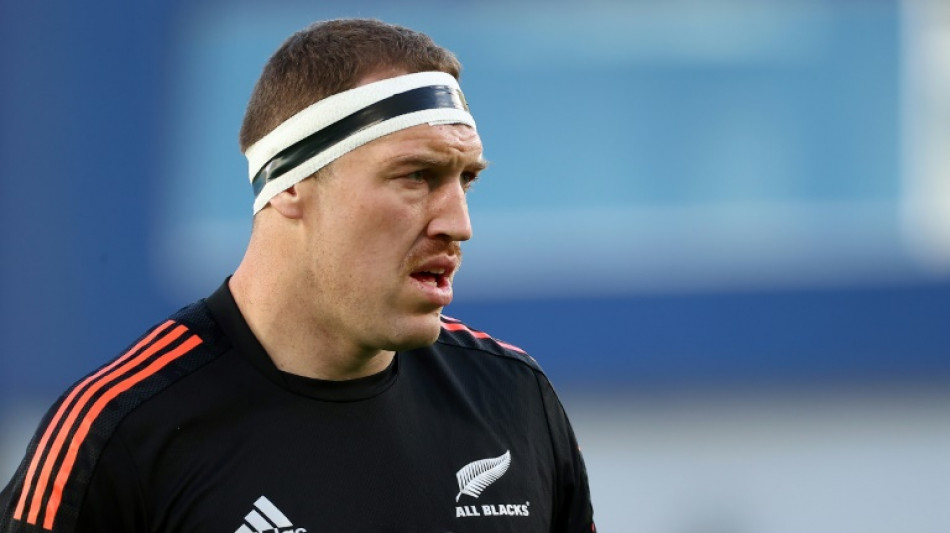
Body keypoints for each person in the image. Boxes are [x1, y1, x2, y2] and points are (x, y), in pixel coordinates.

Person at [0, 18, 595, 533]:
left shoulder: (514, 397)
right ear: (290, 182)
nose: (458, 224)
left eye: (466, 179)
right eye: (417, 176)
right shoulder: (120, 433)